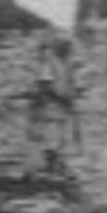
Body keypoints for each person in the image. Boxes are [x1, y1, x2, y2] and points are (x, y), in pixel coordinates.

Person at [28, 32, 82, 172]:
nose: (69, 49)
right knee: (48, 136)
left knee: (60, 135)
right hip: (48, 106)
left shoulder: (68, 62)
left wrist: (71, 97)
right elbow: (45, 86)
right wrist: (64, 100)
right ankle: (48, 162)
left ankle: (55, 161)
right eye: (65, 46)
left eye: (69, 46)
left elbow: (69, 82)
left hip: (61, 106)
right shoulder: (48, 63)